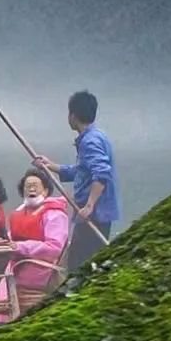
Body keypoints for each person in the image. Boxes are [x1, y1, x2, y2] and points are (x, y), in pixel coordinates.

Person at [41, 91, 119, 268]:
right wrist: (50, 166)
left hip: (94, 214)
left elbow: (102, 173)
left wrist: (90, 204)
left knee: (80, 263)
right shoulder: (96, 136)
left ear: (73, 115)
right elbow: (83, 171)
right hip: (94, 212)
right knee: (85, 261)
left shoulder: (90, 141)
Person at [0, 167, 71, 308]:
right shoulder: (18, 214)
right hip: (18, 265)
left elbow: (54, 248)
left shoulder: (54, 214)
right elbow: (11, 239)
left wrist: (21, 247)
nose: (31, 189)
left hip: (41, 269)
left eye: (35, 186)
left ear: (46, 190)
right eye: (27, 186)